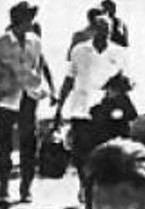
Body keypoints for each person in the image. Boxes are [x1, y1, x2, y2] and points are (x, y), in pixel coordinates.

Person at [0, 1, 52, 208]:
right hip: (6, 99)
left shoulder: (35, 41)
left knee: (28, 145)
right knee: (4, 146)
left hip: (29, 96)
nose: (31, 22)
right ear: (18, 20)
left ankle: (26, 188)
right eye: (28, 18)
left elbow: (40, 63)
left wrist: (41, 83)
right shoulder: (1, 42)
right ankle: (3, 191)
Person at [56, 17, 127, 177]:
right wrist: (60, 107)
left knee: (106, 152)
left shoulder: (120, 52)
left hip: (106, 110)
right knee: (81, 153)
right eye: (101, 30)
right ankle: (84, 186)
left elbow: (129, 80)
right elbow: (69, 79)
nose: (105, 34)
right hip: (82, 108)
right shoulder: (79, 50)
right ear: (93, 30)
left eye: (108, 30)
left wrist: (120, 87)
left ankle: (99, 187)